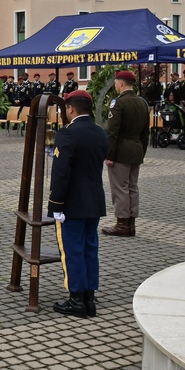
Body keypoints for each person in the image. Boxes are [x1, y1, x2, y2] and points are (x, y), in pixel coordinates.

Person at [48, 90, 109, 318]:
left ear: (70, 109)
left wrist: (55, 205)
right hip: (94, 200)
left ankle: (76, 300)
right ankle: (89, 298)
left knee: (72, 250)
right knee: (90, 248)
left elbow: (61, 174)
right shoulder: (100, 133)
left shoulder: (68, 134)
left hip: (72, 202)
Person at [103, 70, 149, 238]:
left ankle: (122, 223)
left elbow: (112, 132)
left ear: (121, 83)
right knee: (132, 187)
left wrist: (109, 154)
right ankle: (131, 223)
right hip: (136, 149)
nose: (115, 85)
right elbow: (146, 132)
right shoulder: (142, 103)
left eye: (116, 82)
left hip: (121, 151)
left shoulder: (119, 103)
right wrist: (141, 150)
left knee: (120, 188)